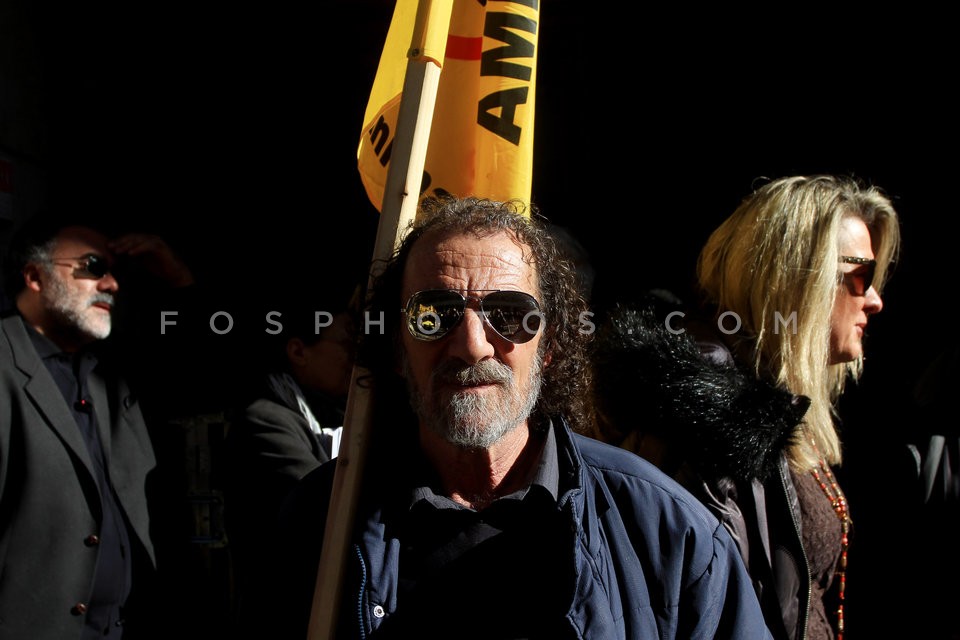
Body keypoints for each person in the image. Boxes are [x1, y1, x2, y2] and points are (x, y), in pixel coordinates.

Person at [253, 195, 773, 639]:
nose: (472, 345)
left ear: (549, 347)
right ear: (396, 347)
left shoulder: (669, 531)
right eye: (433, 314)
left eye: (509, 314)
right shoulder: (320, 523)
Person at [598, 175, 898, 640]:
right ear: (796, 279)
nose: (875, 300)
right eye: (861, 276)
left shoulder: (777, 406)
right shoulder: (710, 425)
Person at [0, 214, 194, 639]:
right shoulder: (5, 364)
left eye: (114, 271)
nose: (111, 284)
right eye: (92, 267)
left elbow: (205, 376)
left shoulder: (114, 369)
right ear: (35, 275)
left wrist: (177, 278)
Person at [222, 290, 358, 617]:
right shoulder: (265, 420)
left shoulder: (327, 414)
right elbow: (327, 507)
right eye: (346, 345)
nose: (356, 359)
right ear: (298, 351)